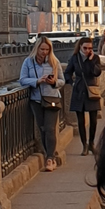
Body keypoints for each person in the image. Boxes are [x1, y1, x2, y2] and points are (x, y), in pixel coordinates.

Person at [19, 36, 65, 171]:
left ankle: (50, 158)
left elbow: (62, 81)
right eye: (42, 49)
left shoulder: (54, 62)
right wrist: (37, 81)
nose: (44, 52)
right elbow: (22, 80)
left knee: (50, 129)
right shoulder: (28, 62)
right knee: (43, 129)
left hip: (52, 98)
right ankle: (48, 154)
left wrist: (54, 82)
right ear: (37, 48)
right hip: (36, 100)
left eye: (47, 49)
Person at [65, 37, 102, 155]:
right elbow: (67, 72)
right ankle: (84, 145)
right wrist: (72, 83)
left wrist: (91, 61)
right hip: (79, 90)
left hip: (91, 90)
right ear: (80, 47)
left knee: (94, 120)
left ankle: (91, 143)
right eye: (85, 48)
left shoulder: (95, 58)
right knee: (80, 120)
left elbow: (97, 72)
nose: (87, 50)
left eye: (90, 48)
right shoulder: (75, 58)